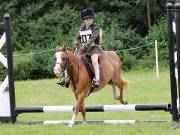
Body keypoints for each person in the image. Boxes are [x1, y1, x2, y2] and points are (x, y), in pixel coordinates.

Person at [57, 8, 102, 88]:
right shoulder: (82, 29)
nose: (89, 21)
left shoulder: (95, 28)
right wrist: (75, 43)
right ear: (83, 20)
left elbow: (92, 39)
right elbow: (78, 38)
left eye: (90, 19)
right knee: (71, 60)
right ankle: (67, 79)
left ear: (93, 19)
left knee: (94, 61)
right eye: (87, 19)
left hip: (94, 48)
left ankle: (97, 79)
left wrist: (83, 47)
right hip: (84, 50)